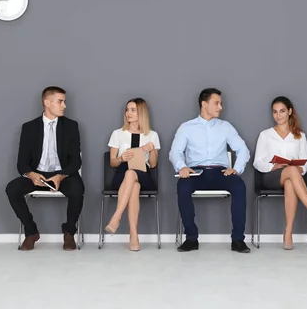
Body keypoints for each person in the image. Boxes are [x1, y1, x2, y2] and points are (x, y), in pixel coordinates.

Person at [169, 88, 251, 253]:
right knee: (182, 186)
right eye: (216, 103)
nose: (220, 107)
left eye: (221, 103)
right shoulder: (186, 127)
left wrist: (236, 169)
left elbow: (243, 150)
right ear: (204, 104)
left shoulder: (225, 127)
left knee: (239, 186)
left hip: (220, 172)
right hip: (195, 172)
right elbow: (175, 152)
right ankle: (191, 239)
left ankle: (238, 240)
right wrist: (182, 167)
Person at [5, 86, 84, 251]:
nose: (64, 105)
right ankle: (31, 232)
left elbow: (76, 161)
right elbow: (21, 163)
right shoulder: (29, 127)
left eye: (65, 101)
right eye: (60, 101)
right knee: (12, 189)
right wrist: (32, 174)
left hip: (63, 175)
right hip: (37, 175)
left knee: (78, 189)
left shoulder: (71, 126)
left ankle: (69, 232)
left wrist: (61, 176)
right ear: (47, 103)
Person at [253, 96, 307, 250]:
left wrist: (301, 168)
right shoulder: (265, 135)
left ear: (289, 112)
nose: (278, 115)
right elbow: (257, 162)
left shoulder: (300, 136)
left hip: (292, 178)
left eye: (281, 111)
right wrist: (274, 166)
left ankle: (288, 232)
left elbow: (305, 161)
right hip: (271, 177)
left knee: (290, 179)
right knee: (290, 171)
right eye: (275, 112)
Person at [104, 98, 161, 251]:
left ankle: (117, 217)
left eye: (133, 110)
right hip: (122, 174)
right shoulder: (117, 134)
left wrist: (151, 149)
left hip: (144, 174)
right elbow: (112, 162)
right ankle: (134, 235)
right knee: (132, 184)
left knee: (133, 175)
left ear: (141, 112)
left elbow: (154, 164)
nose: (128, 113)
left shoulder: (152, 135)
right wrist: (122, 158)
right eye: (127, 110)